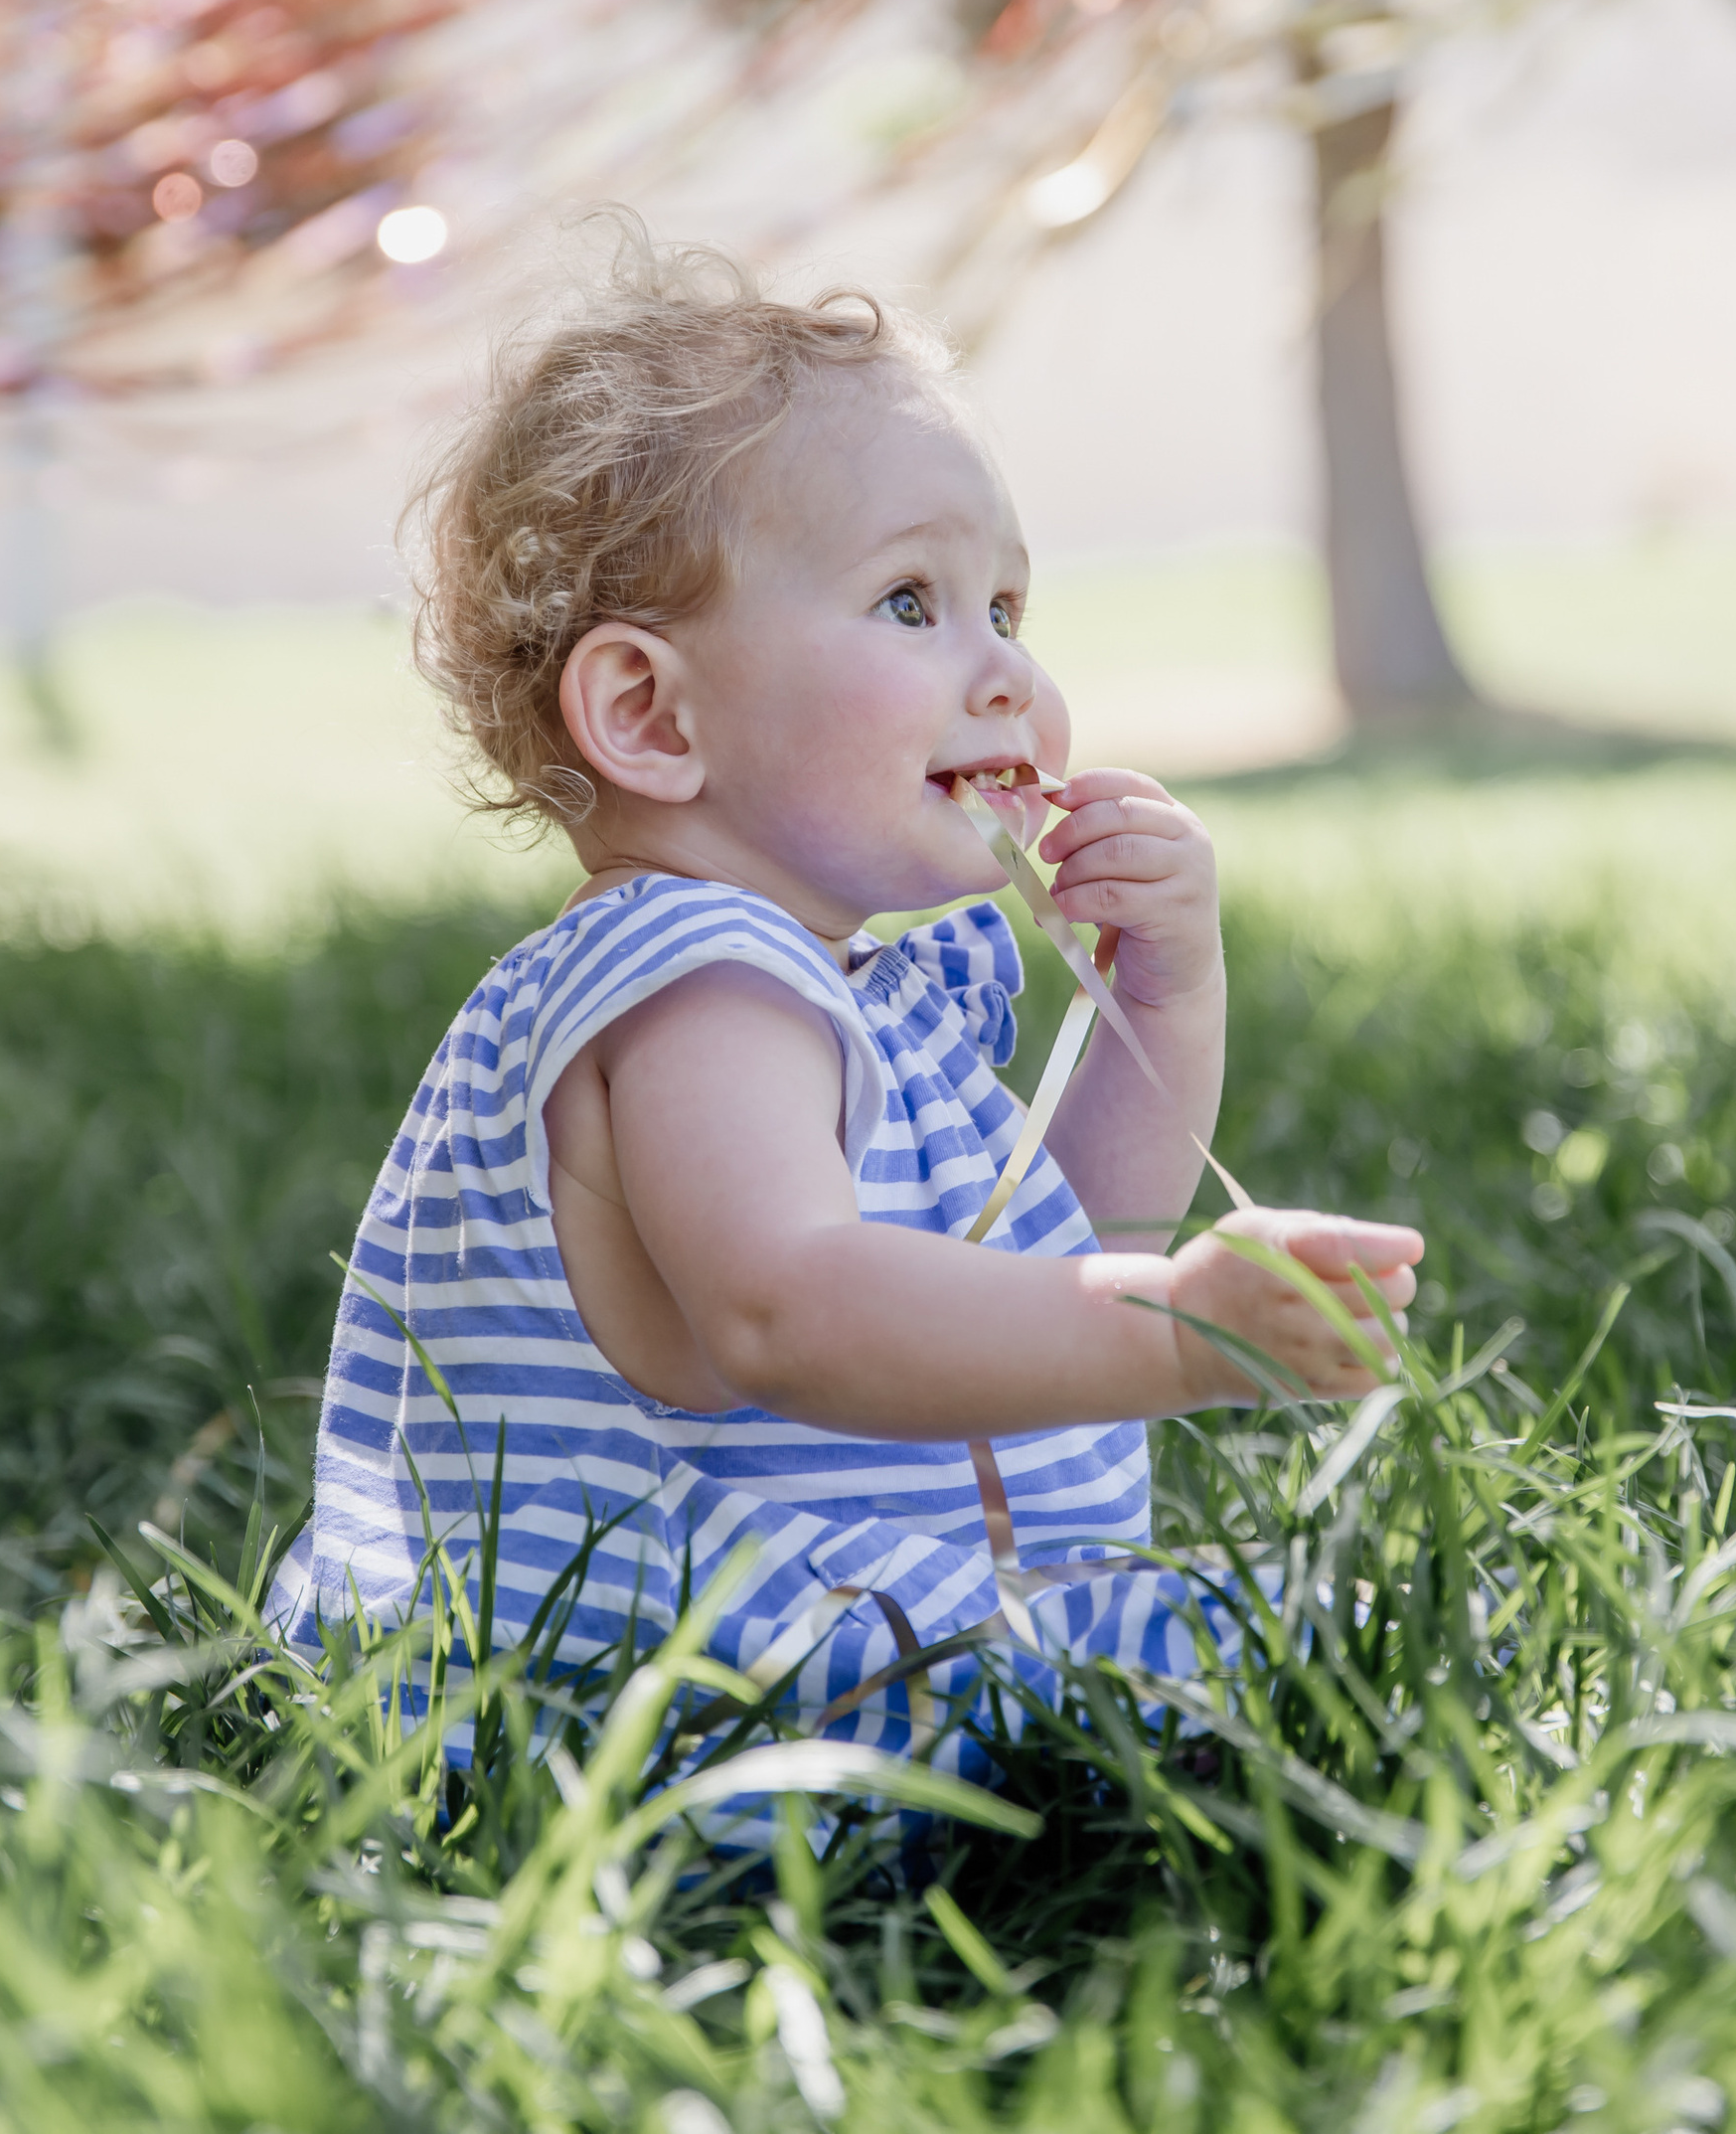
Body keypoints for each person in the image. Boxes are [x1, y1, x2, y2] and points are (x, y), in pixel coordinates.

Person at [265, 229, 1418, 1804]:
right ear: (653, 716)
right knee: (1298, 1667)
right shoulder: (693, 990)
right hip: (684, 1687)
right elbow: (790, 1311)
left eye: (1007, 602)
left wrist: (1165, 995)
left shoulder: (833, 981)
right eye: (909, 602)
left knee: (1304, 1659)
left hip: (769, 1650)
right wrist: (1176, 1335)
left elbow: (1045, 1255)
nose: (1007, 669)